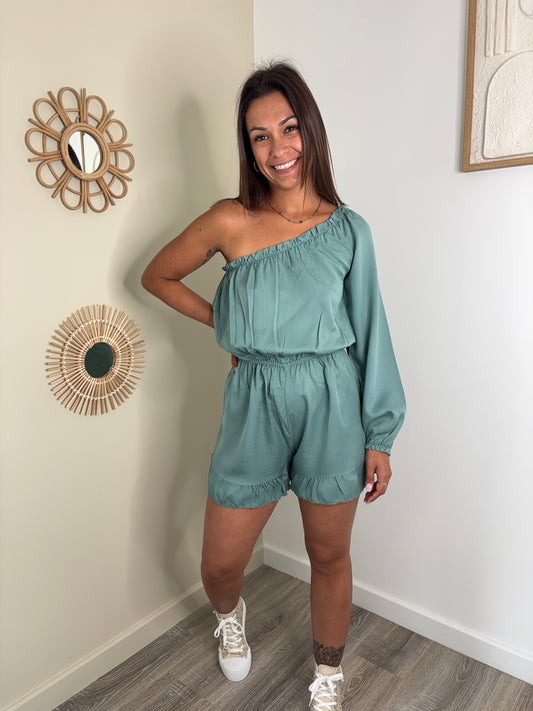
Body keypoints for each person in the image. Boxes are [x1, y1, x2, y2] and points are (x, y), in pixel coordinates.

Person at [142, 61, 405, 711]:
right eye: (260, 136)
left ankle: (328, 675)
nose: (278, 148)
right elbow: (158, 276)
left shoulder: (349, 229)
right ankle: (229, 617)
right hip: (253, 401)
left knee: (328, 553)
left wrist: (380, 434)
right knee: (220, 562)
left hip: (333, 401)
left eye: (289, 128)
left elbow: (371, 332)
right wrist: (227, 325)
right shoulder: (228, 220)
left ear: (310, 130)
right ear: (248, 146)